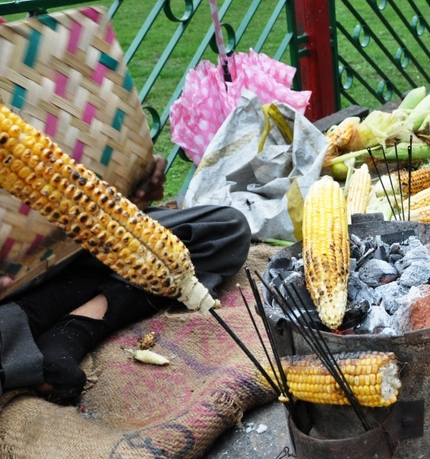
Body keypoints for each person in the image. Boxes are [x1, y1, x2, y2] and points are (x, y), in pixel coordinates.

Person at [0, 155, 251, 404]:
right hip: (13, 289)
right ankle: (75, 329)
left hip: (63, 236)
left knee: (224, 228)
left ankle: (72, 326)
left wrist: (130, 180)